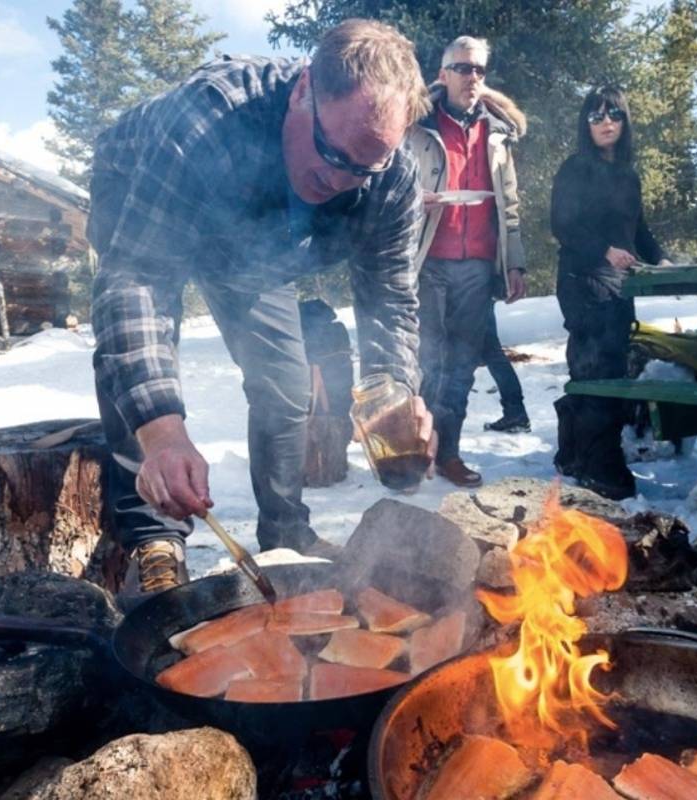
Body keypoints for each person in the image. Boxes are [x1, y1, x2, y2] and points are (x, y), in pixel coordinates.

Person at [87, 19, 434, 598]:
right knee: (140, 367)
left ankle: (285, 531)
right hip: (140, 190)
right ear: (303, 91)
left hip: (256, 246)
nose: (341, 182)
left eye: (362, 169)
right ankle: (154, 537)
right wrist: (165, 434)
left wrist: (393, 393)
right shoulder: (208, 120)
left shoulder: (391, 175)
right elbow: (138, 283)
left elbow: (391, 296)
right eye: (331, 153)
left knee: (286, 384)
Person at [405, 35, 527, 488]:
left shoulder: (497, 133)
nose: (471, 77)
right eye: (462, 68)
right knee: (428, 363)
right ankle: (418, 452)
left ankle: (449, 452)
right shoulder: (417, 125)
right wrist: (417, 201)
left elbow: (509, 205)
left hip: (477, 264)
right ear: (443, 75)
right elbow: (391, 186)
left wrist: (514, 263)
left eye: (477, 69)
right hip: (429, 260)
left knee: (460, 367)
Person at [549, 87, 670, 500]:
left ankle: (573, 453)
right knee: (597, 369)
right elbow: (563, 225)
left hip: (620, 284)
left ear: (625, 121)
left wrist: (662, 260)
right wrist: (604, 249)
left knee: (607, 366)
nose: (606, 122)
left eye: (614, 115)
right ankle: (600, 467)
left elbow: (639, 231)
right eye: (596, 116)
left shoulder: (627, 175)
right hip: (582, 279)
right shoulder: (575, 169)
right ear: (586, 123)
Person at [480, 305, 528, 433]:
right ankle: (515, 412)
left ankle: (515, 413)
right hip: (478, 294)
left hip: (472, 294)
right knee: (492, 353)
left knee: (491, 353)